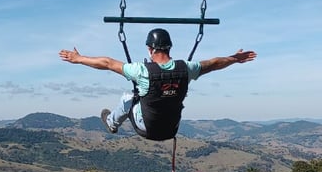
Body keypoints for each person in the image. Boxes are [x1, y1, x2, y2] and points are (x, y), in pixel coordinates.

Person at [59, 28, 256, 141]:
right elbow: (214, 63)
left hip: (148, 129)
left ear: (149, 49)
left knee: (129, 97)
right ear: (170, 47)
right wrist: (234, 58)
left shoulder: (142, 71)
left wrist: (79, 58)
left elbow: (108, 63)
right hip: (171, 129)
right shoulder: (186, 68)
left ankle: (112, 123)